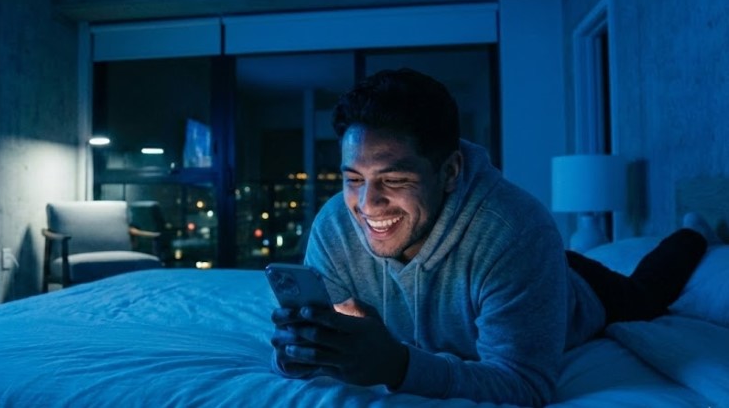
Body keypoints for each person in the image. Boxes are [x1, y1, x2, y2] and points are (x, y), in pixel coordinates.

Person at [270, 68, 706, 406]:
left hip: (570, 289)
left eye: (395, 179)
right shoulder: (335, 225)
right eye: (353, 179)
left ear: (449, 172)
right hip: (512, 274)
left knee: (647, 294)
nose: (367, 204)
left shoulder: (517, 232)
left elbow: (526, 384)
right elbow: (319, 339)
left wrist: (399, 366)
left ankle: (694, 233)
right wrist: (299, 351)